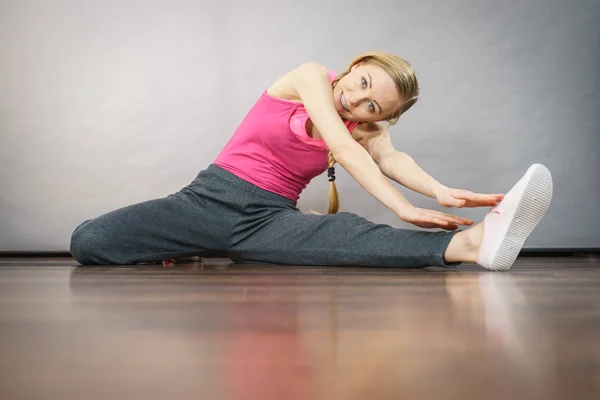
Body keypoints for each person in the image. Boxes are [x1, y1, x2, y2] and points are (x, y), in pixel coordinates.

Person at [69, 52, 553, 270]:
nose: (357, 102)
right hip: (207, 200)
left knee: (347, 236)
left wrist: (440, 192)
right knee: (89, 240)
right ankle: (198, 243)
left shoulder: (366, 129)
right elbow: (342, 150)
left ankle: (473, 245)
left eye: (373, 108)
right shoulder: (307, 77)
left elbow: (391, 158)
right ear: (355, 67)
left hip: (266, 219)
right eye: (362, 84)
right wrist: (405, 207)